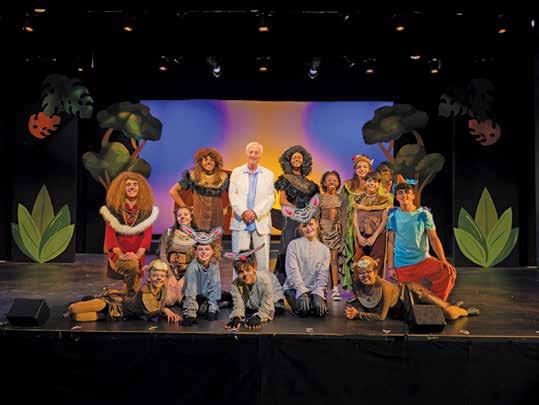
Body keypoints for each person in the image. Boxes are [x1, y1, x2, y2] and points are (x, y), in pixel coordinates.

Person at [344, 256, 479, 321]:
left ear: (375, 272)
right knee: (442, 310)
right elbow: (364, 303)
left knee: (447, 313)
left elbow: (380, 316)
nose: (365, 276)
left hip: (413, 294)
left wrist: (358, 315)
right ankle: (453, 306)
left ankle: (464, 311)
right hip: (406, 310)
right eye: (361, 273)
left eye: (368, 272)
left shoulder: (384, 287)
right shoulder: (357, 285)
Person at [386, 183, 456, 301]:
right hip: (402, 264)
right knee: (403, 297)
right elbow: (390, 242)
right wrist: (391, 267)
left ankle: (437, 301)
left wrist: (443, 259)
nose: (404, 195)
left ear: (413, 196)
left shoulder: (424, 214)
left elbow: (433, 238)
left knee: (448, 271)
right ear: (396, 197)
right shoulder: (393, 217)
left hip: (422, 260)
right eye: (400, 193)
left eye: (407, 192)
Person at [65, 259, 181, 324]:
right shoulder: (145, 289)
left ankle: (85, 303)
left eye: (162, 276)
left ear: (165, 278)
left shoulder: (163, 290)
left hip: (118, 314)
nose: (159, 278)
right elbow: (149, 313)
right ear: (149, 278)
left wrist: (166, 311)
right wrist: (164, 310)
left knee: (77, 318)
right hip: (114, 304)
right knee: (73, 309)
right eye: (155, 275)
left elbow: (156, 309)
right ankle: (83, 303)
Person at [100, 172, 159, 296]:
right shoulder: (113, 210)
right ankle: (130, 298)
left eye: (135, 184)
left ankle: (123, 296)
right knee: (132, 268)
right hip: (119, 254)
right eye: (128, 185)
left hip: (138, 253)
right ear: (122, 188)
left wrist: (137, 255)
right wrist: (121, 255)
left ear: (140, 188)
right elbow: (110, 237)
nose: (132, 187)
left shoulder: (146, 211)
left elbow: (146, 237)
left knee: (134, 280)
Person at [274, 145, 319, 282]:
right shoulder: (285, 179)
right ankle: (283, 282)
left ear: (304, 161)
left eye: (300, 157)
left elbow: (314, 203)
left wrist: (307, 213)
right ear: (289, 161)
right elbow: (282, 201)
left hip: (305, 220)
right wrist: (297, 210)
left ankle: (301, 282)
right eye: (294, 157)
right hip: (290, 218)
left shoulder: (310, 184)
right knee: (288, 247)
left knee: (304, 249)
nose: (297, 159)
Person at [228, 142, 275, 274]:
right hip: (240, 221)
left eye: (256, 152)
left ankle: (263, 286)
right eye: (251, 152)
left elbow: (270, 198)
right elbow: (233, 195)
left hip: (261, 221)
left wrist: (255, 212)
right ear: (246, 153)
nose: (253, 155)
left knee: (263, 261)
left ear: (260, 155)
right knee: (239, 260)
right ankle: (238, 287)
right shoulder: (236, 172)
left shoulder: (268, 174)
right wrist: (244, 212)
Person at [169, 147, 230, 235]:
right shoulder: (193, 176)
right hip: (198, 218)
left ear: (216, 162)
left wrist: (227, 207)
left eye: (212, 160)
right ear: (200, 162)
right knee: (198, 242)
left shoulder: (223, 177)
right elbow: (173, 191)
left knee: (215, 242)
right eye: (205, 160)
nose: (208, 162)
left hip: (216, 219)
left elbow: (236, 193)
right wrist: (185, 207)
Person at [224, 246, 285, 331]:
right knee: (247, 310)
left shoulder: (265, 280)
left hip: (273, 299)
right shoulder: (235, 284)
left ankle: (228, 299)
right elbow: (238, 306)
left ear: (254, 267)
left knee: (277, 308)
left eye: (248, 270)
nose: (245, 274)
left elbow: (267, 306)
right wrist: (236, 317)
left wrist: (258, 316)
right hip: (254, 302)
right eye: (240, 272)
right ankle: (228, 298)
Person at [283, 217, 330, 318]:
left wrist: (318, 292)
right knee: (303, 311)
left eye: (311, 224)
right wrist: (301, 292)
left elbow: (323, 274)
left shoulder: (325, 250)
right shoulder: (293, 245)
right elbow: (292, 271)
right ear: (300, 228)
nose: (308, 228)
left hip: (314, 288)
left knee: (319, 311)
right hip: (294, 288)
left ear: (316, 224)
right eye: (305, 226)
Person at [340, 154, 373, 290]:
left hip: (370, 225)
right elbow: (342, 206)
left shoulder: (374, 184)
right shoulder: (348, 185)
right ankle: (354, 287)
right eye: (359, 167)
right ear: (355, 169)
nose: (362, 169)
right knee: (353, 255)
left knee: (367, 256)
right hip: (351, 226)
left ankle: (368, 286)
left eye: (365, 167)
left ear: (369, 169)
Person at [181, 226, 223, 326]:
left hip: (206, 297)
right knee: (200, 311)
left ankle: (216, 305)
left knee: (221, 299)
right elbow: (190, 291)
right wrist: (190, 314)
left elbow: (215, 286)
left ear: (213, 251)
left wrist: (212, 309)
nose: (204, 252)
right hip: (195, 297)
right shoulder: (193, 267)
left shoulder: (214, 264)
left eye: (207, 249)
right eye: (200, 249)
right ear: (195, 251)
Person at [352, 171, 391, 277]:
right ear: (365, 182)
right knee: (360, 263)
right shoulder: (358, 199)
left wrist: (374, 237)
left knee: (376, 262)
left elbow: (384, 220)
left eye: (375, 181)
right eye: (369, 181)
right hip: (362, 235)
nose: (372, 184)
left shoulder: (383, 199)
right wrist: (359, 236)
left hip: (378, 235)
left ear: (378, 184)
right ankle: (361, 286)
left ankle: (376, 286)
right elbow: (355, 218)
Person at [318, 170, 346, 301]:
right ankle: (321, 288)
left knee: (334, 260)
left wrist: (343, 235)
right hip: (322, 230)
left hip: (335, 230)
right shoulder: (319, 198)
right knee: (322, 260)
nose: (332, 182)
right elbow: (316, 215)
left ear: (338, 183)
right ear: (324, 183)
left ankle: (335, 288)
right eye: (329, 180)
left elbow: (344, 217)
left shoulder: (342, 198)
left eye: (334, 180)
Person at [158, 206, 196, 280]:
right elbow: (162, 255)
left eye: (185, 214)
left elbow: (199, 259)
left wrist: (186, 275)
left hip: (190, 272)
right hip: (169, 270)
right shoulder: (168, 233)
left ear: (191, 218)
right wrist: (170, 275)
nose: (182, 217)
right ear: (177, 218)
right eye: (179, 215)